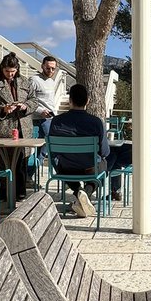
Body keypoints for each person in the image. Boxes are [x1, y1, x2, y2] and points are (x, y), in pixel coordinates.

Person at [46, 83, 111, 217]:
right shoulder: (96, 122)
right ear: (87, 100)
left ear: (70, 100)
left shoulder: (56, 121)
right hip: (89, 168)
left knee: (60, 165)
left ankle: (78, 193)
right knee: (104, 164)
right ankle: (85, 194)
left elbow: (52, 153)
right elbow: (104, 152)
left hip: (67, 169)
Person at [0, 53, 36, 203]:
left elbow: (34, 100)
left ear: (17, 69)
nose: (10, 74)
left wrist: (25, 106)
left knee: (22, 160)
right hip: (4, 127)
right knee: (3, 160)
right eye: (7, 71)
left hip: (23, 126)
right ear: (2, 69)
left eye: (13, 71)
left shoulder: (25, 81)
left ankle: (20, 192)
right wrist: (3, 109)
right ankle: (4, 193)